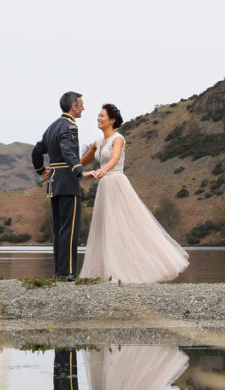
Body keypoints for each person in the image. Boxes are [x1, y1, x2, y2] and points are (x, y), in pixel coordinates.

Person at [78, 104, 189, 284]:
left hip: (116, 182)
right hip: (104, 186)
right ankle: (104, 272)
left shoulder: (118, 138)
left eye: (102, 116)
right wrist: (66, 167)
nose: (98, 118)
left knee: (121, 226)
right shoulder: (97, 143)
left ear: (112, 120)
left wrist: (102, 170)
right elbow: (80, 162)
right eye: (98, 116)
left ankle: (126, 271)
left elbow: (114, 158)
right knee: (104, 227)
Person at [32, 92, 87, 281]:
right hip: (68, 182)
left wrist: (41, 170)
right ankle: (68, 272)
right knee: (70, 228)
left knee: (58, 229)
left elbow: (36, 151)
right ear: (73, 106)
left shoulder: (51, 128)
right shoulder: (70, 126)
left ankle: (58, 272)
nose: (83, 108)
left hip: (54, 183)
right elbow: (67, 149)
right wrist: (80, 170)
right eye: (81, 104)